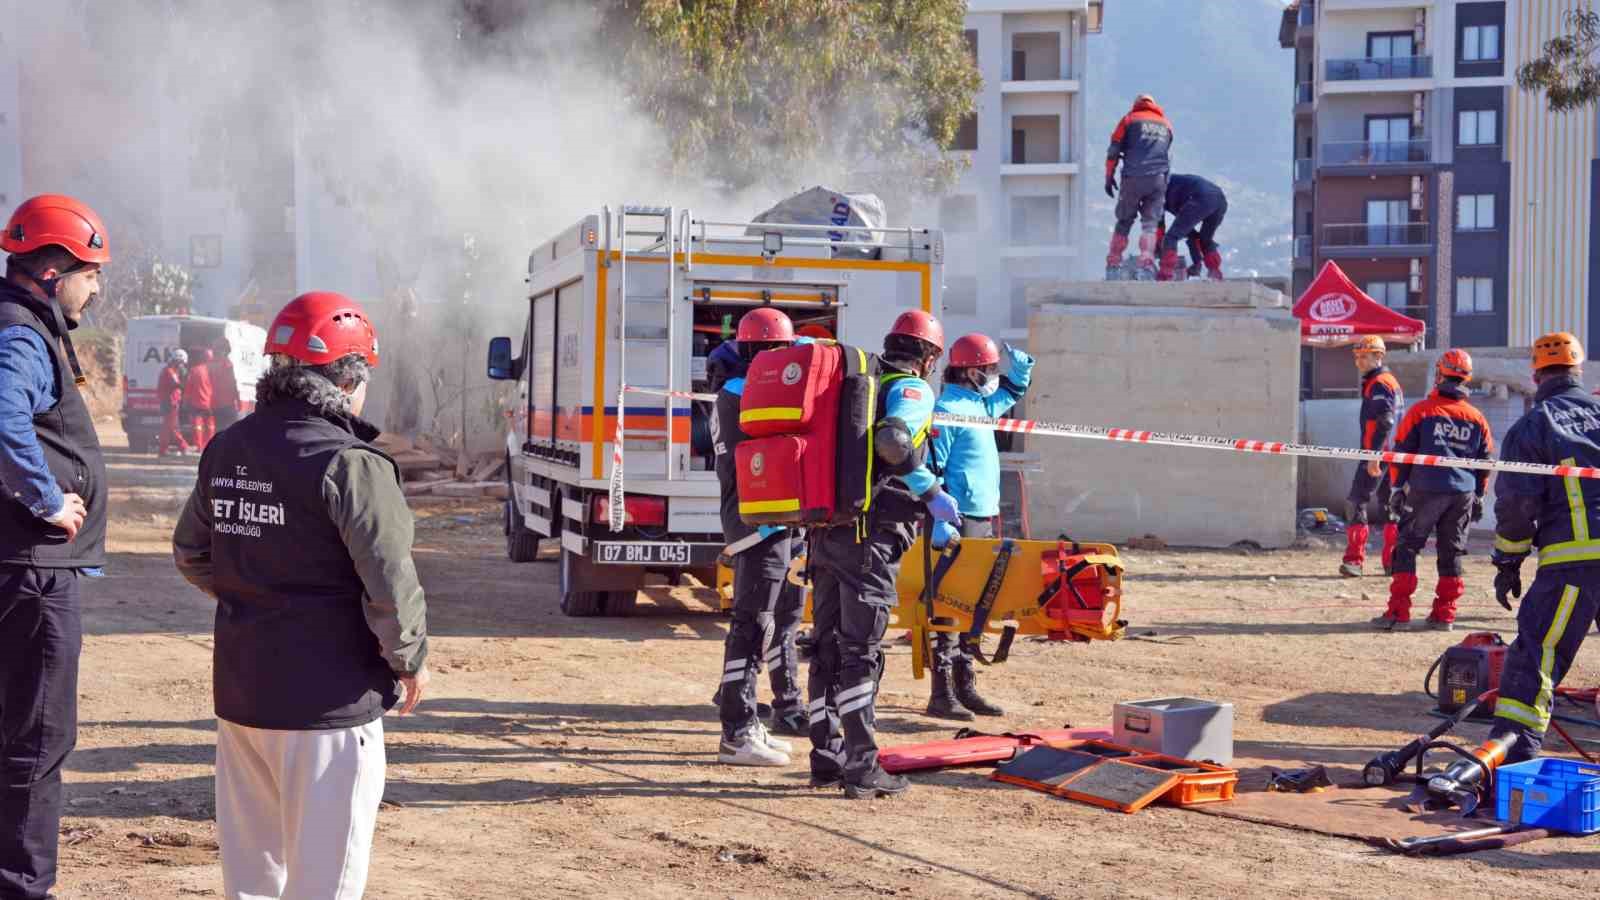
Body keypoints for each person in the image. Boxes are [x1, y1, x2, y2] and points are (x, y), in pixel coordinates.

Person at [171, 292, 430, 900]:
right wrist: (409, 659)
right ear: (348, 379)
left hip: (243, 698)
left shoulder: (228, 448)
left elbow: (191, 553)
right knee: (324, 887)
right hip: (328, 707)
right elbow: (390, 583)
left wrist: (258, 596)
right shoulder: (351, 464)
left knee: (254, 885)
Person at [0, 193, 110, 900]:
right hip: (34, 575)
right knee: (36, 746)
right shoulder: (21, 336)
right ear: (49, 271)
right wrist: (45, 498)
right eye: (89, 272)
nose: (94, 287)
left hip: (19, 566)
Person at [808, 309, 962, 799]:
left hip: (829, 531)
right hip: (871, 538)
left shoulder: (858, 386)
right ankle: (862, 767)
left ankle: (826, 759)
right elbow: (895, 440)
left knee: (827, 645)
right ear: (930, 355)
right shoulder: (912, 389)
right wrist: (931, 489)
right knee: (861, 650)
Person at [1486, 332, 1600, 763]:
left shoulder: (1533, 426)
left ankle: (1514, 754)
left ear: (1536, 375)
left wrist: (1508, 560)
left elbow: (1517, 503)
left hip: (1574, 564)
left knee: (1537, 654)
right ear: (1579, 370)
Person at [710, 310, 807, 767]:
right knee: (751, 627)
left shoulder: (740, 390)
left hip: (765, 522)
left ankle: (748, 722)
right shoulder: (743, 393)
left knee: (763, 624)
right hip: (757, 524)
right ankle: (737, 731)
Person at [924, 333, 1034, 720]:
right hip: (959, 519)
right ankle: (942, 695)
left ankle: (965, 686)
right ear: (971, 371)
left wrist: (1020, 369)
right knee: (950, 604)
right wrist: (940, 518)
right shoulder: (948, 408)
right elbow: (934, 466)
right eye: (988, 369)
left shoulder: (977, 405)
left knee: (974, 605)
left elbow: (1010, 393)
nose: (992, 375)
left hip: (981, 516)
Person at [1375, 349, 1492, 631]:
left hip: (1426, 490)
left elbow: (1401, 453)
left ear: (1440, 374)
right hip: (1462, 493)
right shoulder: (1477, 417)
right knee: (1451, 553)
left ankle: (1398, 614)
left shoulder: (1422, 411)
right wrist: (1479, 494)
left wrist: (1396, 488)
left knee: (1406, 548)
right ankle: (1444, 616)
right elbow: (1485, 460)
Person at [1341, 336, 1404, 578]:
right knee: (1390, 507)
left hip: (1377, 454)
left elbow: (1385, 421)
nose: (1359, 362)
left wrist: (1373, 456)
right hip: (1393, 456)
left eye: (1364, 356)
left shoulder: (1379, 383)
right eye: (1357, 357)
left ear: (1379, 356)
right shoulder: (1389, 381)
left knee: (1357, 502)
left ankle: (1354, 561)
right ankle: (1392, 563)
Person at [1104, 94, 1174, 281]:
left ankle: (1113, 264)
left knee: (1124, 221)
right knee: (1150, 225)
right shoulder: (1166, 124)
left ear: (1136, 105)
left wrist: (1109, 177)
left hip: (1133, 177)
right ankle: (1146, 265)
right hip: (1158, 179)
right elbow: (1166, 152)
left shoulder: (1129, 120)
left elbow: (1113, 151)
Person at [1157, 174, 1228, 282]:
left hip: (1200, 196)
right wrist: (1197, 263)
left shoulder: (1156, 193)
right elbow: (1192, 235)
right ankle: (1215, 273)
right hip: (1220, 199)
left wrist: (1159, 245)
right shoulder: (1173, 189)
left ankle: (1165, 276)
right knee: (1205, 239)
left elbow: (1159, 228)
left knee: (1171, 237)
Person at [158, 349, 192, 457]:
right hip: (170, 403)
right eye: (182, 363)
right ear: (178, 361)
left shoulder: (169, 370)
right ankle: (183, 446)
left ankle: (163, 450)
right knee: (171, 427)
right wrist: (188, 382)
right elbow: (177, 385)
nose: (182, 366)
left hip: (169, 402)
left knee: (167, 427)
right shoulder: (170, 371)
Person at [183, 346, 216, 450]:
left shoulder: (194, 370)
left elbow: (188, 386)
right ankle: (210, 446)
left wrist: (185, 399)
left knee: (198, 425)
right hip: (211, 403)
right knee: (210, 425)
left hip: (196, 403)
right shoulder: (216, 371)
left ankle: (200, 446)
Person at [210, 338, 241, 432]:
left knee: (219, 429)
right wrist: (237, 398)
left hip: (216, 404)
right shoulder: (227, 363)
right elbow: (232, 383)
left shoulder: (211, 363)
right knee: (232, 429)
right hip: (227, 403)